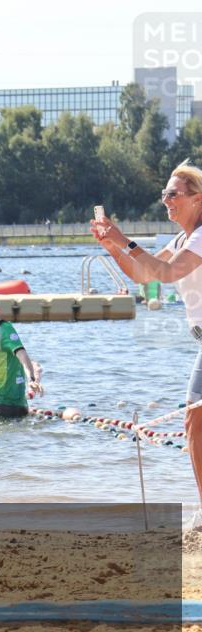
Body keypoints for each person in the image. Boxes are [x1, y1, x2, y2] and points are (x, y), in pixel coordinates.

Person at [90, 159, 202, 515]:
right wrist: (113, 247)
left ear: (198, 199)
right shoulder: (183, 238)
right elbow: (144, 275)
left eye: (173, 193)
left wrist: (126, 239)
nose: (166, 199)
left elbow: (167, 273)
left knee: (193, 420)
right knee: (195, 422)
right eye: (163, 193)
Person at [0, 295, 43, 418]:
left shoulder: (5, 329)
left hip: (6, 403)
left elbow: (22, 355)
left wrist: (31, 379)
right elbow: (2, 361)